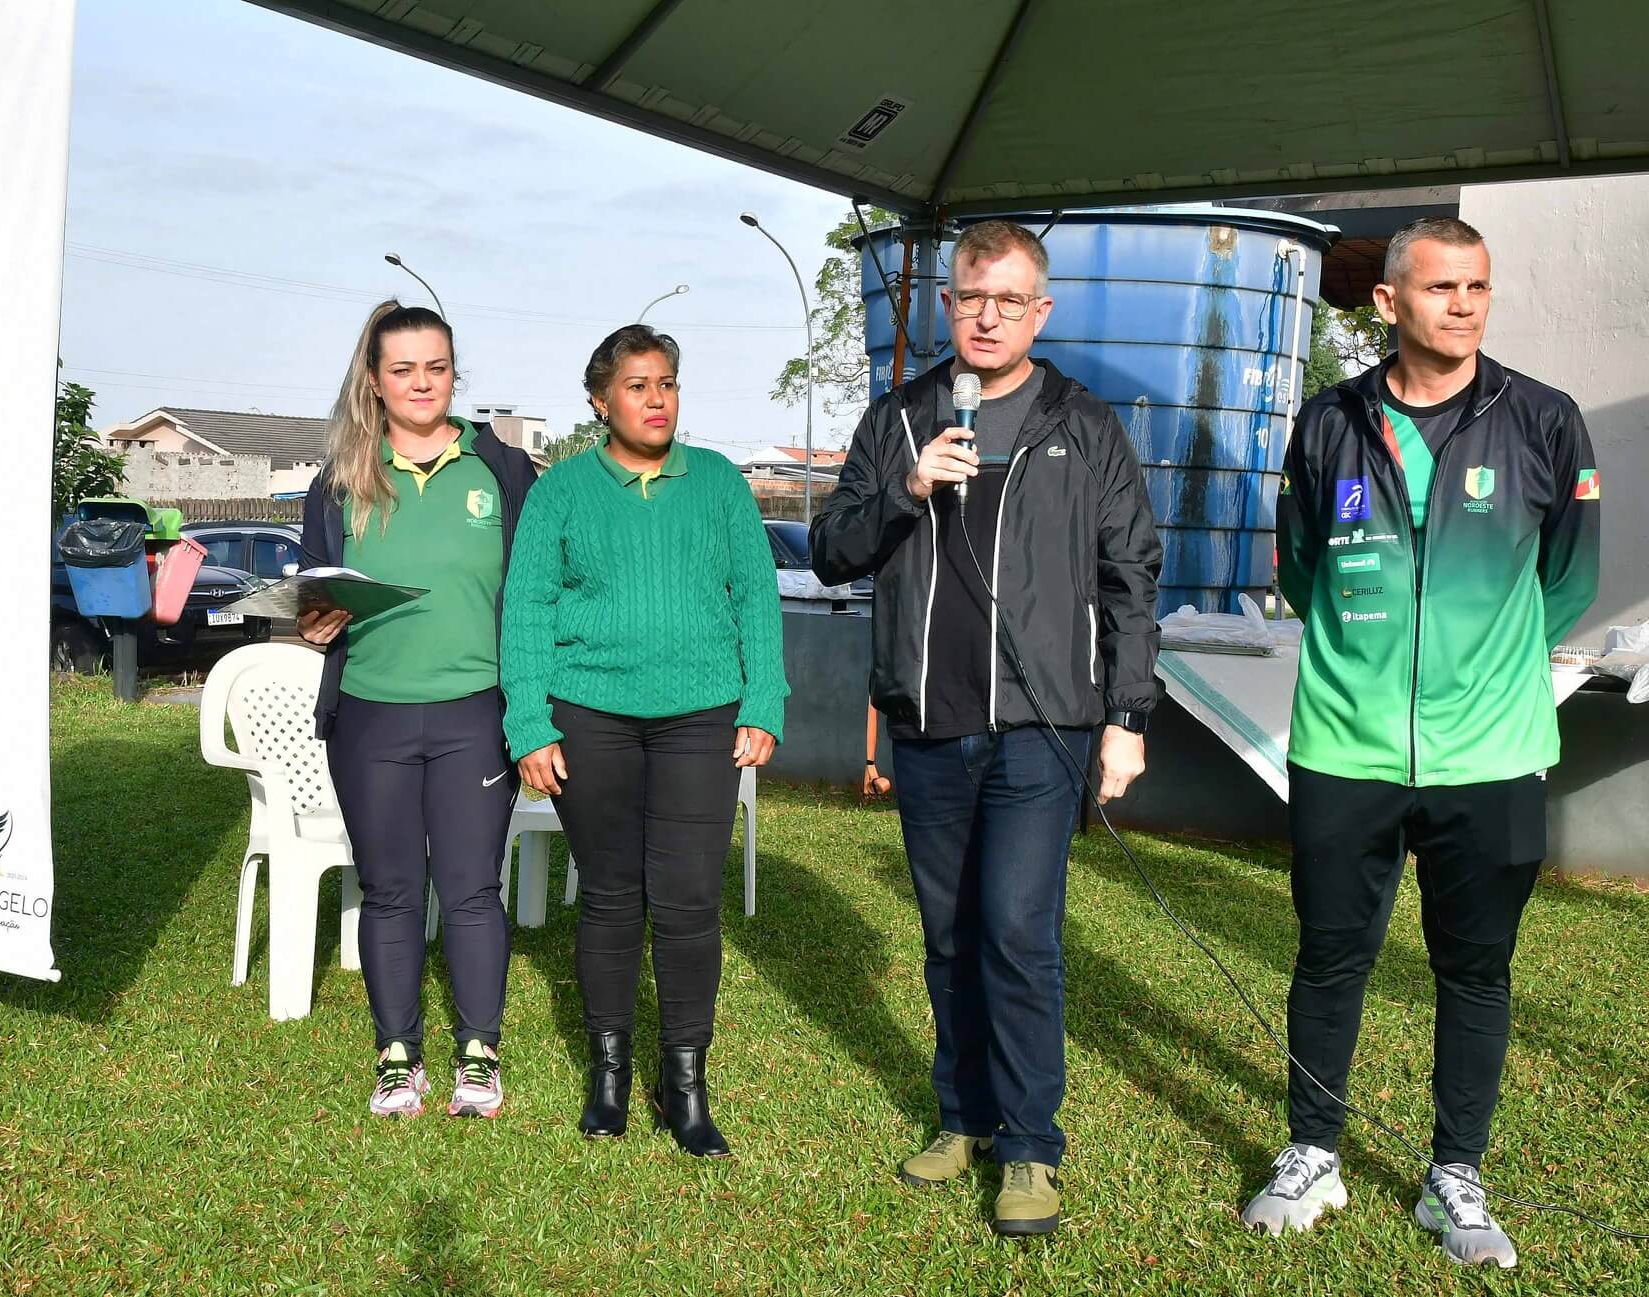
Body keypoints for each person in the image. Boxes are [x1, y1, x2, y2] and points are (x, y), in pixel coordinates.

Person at [1243, 219, 1599, 1269]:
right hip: (1343, 749)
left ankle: (1454, 1174)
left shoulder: (1540, 418)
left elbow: (1567, 578)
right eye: (1439, 288)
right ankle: (1311, 1152)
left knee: (1474, 971)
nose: (1462, 305)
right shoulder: (1326, 423)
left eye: (1476, 287)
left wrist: (1479, 672)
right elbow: (1302, 571)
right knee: (1327, 958)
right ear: (1387, 303)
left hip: (1488, 756)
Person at [812, 219, 1162, 1235]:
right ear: (946, 305)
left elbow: (1129, 576)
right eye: (971, 297)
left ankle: (1028, 1147)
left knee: (1015, 929)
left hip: (1040, 728)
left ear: (1038, 311)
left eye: (1009, 300)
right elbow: (835, 547)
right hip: (929, 721)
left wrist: (1125, 717)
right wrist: (905, 489)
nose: (987, 316)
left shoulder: (1081, 424)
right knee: (948, 933)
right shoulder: (900, 418)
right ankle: (959, 1116)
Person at [500, 324, 787, 1157]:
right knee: (612, 894)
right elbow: (527, 610)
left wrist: (763, 699)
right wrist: (529, 720)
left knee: (692, 897)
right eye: (638, 385)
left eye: (667, 383)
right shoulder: (561, 493)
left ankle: (685, 1080)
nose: (657, 399)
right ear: (599, 401)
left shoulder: (722, 485)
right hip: (589, 711)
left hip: (702, 712)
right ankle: (610, 1073)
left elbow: (756, 602)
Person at [297, 300, 537, 1120]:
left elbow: (536, 593)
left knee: (471, 889)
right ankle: (398, 1057)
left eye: (436, 366)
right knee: (391, 890)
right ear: (375, 380)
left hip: (476, 713)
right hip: (370, 716)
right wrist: (317, 621)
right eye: (403, 369)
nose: (422, 382)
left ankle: (480, 1054)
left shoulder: (502, 470)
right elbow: (316, 598)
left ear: (453, 372)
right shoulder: (337, 483)